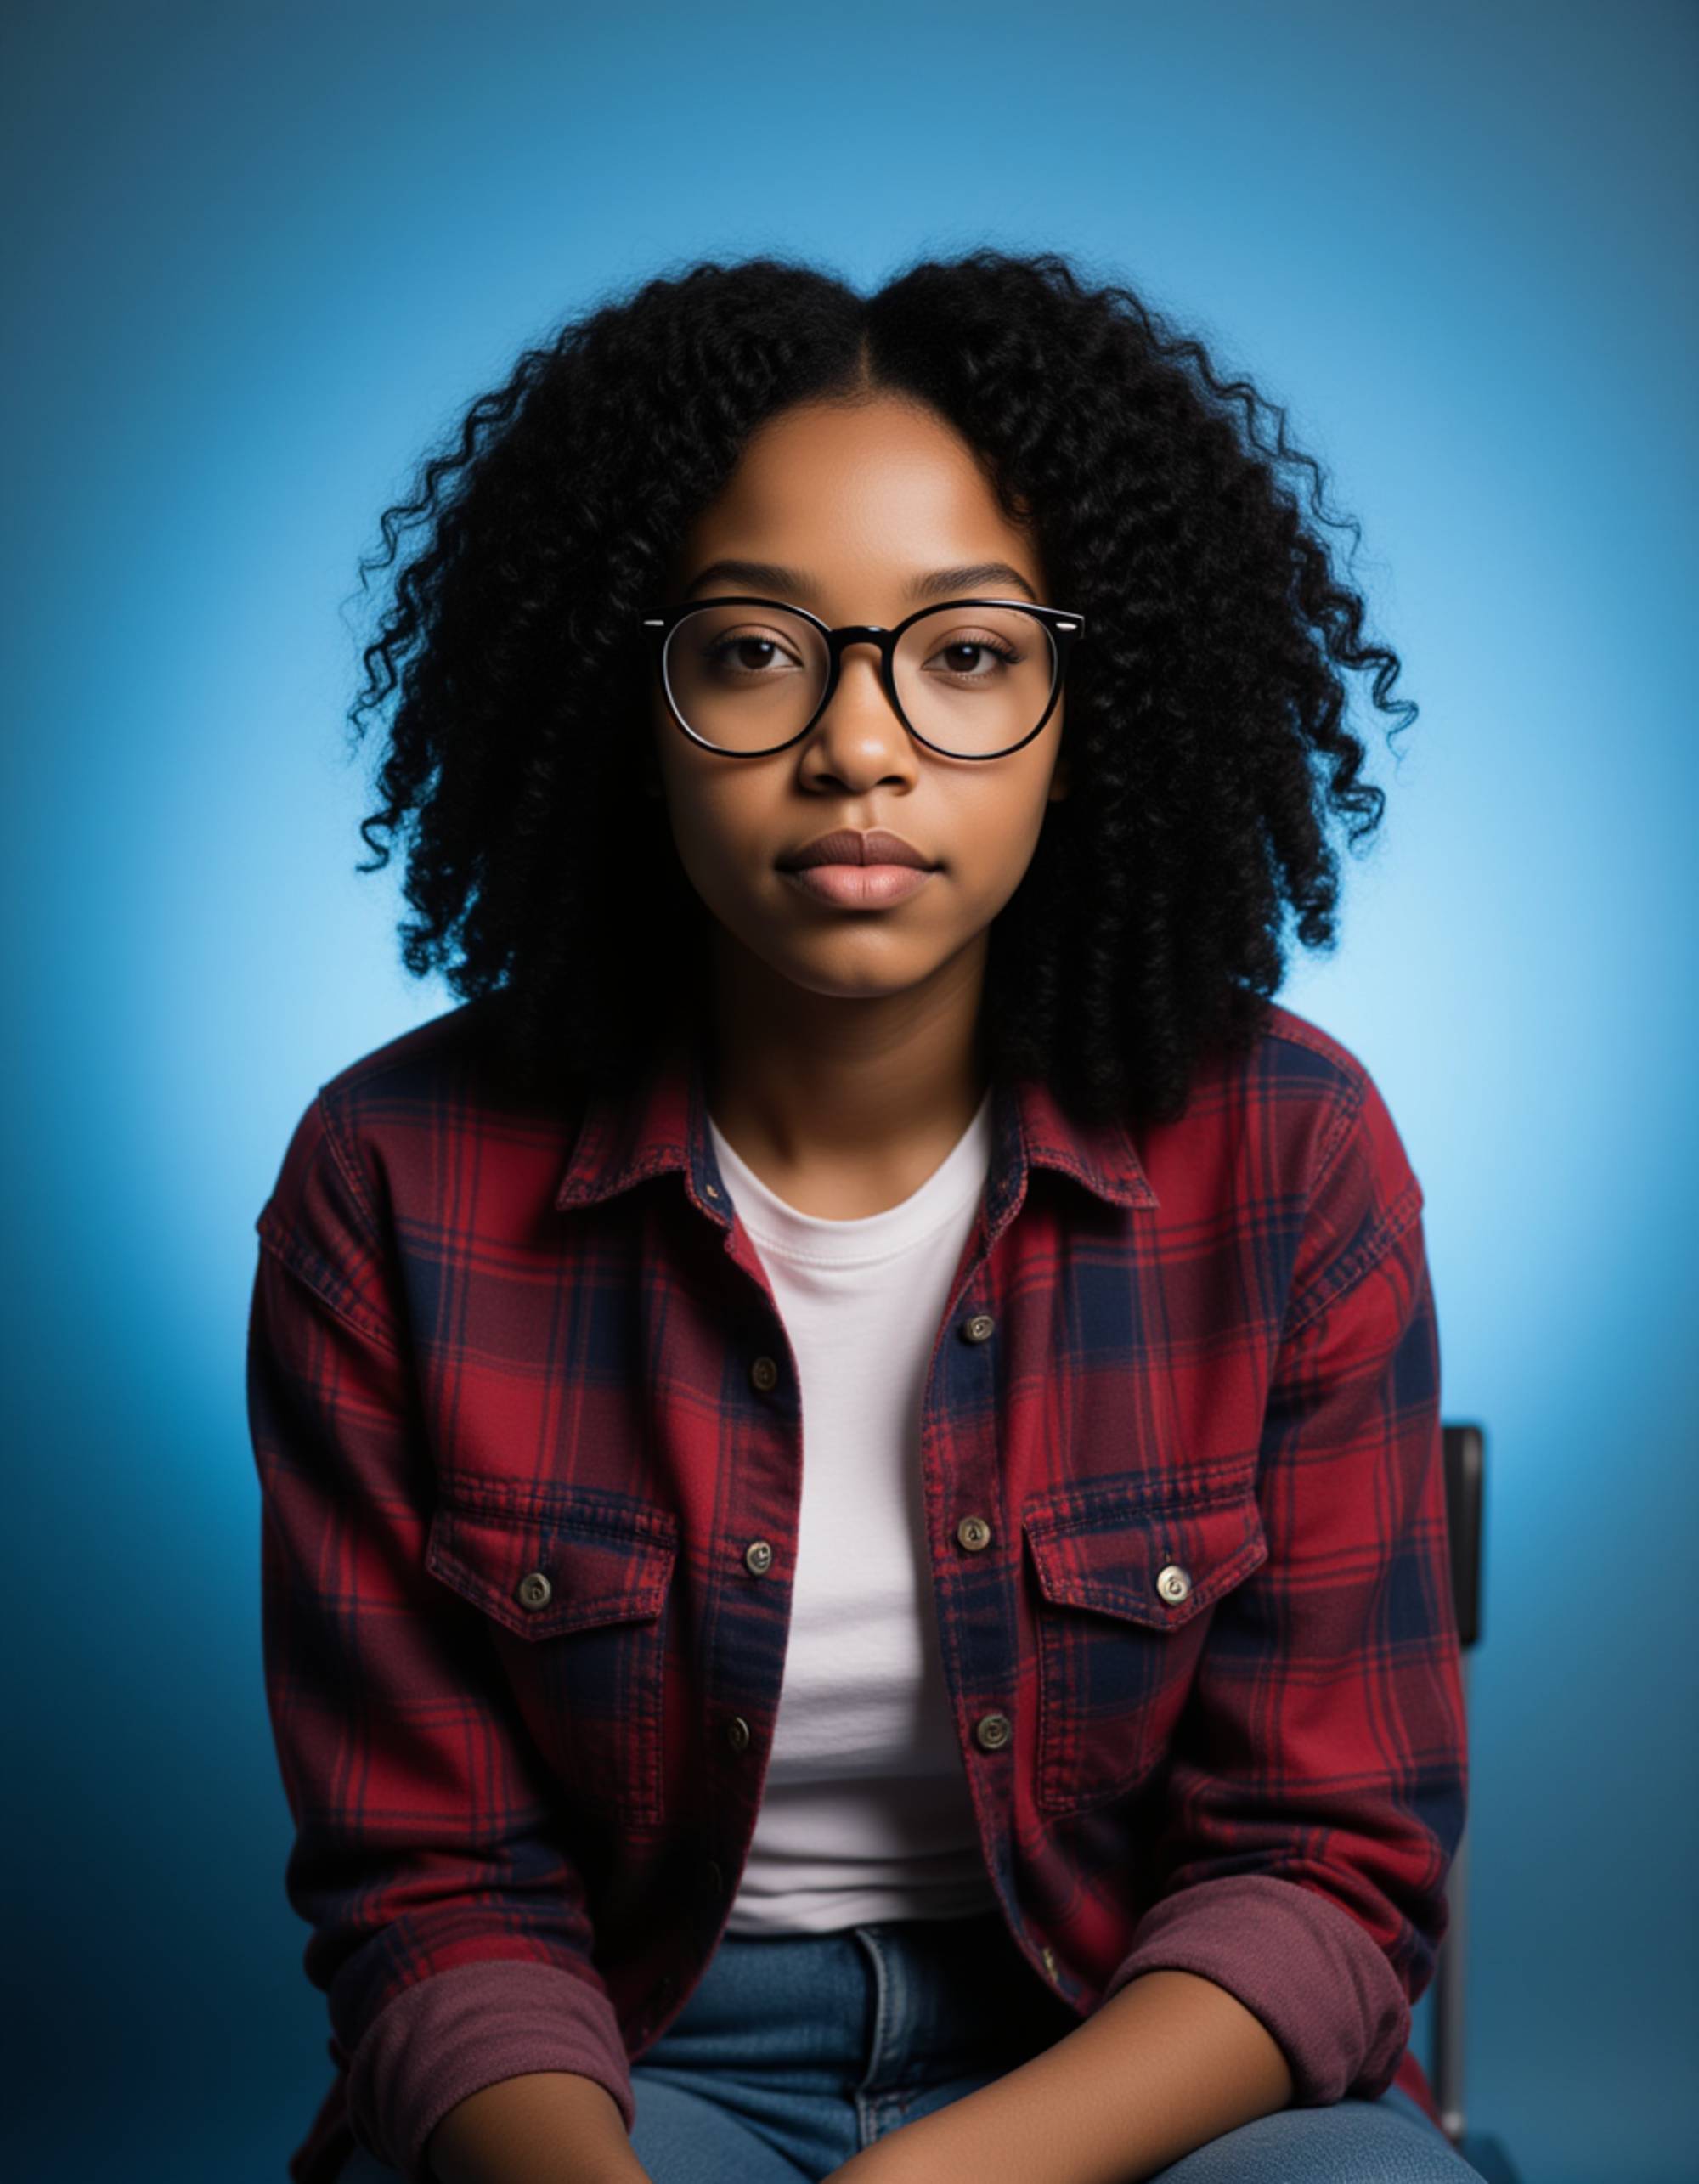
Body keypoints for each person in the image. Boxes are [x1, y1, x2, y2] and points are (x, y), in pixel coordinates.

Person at [247, 247, 1483, 2184]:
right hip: (634, 2063)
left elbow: (1321, 1861)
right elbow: (435, 1889)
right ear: (618, 690)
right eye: (752, 647)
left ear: (1099, 702)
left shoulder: (1289, 1152)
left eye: (968, 651)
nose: (859, 743)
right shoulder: (393, 1183)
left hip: (1129, 2055)